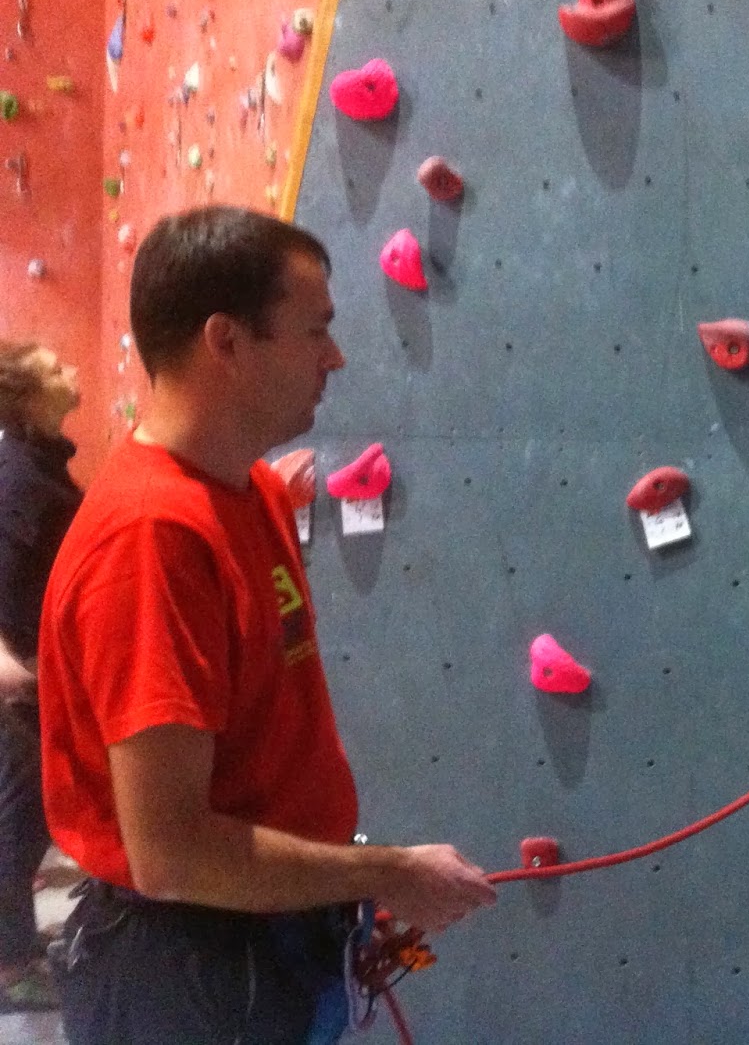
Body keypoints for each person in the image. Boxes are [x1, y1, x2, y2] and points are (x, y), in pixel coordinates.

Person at [37, 206, 497, 1043]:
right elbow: (171, 853)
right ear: (226, 341)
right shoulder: (151, 539)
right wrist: (387, 870)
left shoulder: (248, 492)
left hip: (263, 943)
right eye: (314, 330)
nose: (336, 356)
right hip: (192, 969)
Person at [0, 341, 82, 1011]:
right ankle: (10, 965)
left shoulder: (39, 465)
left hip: (39, 676)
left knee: (26, 816)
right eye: (54, 368)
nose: (70, 369)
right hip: (20, 685)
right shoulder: (20, 478)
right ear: (26, 397)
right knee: (19, 822)